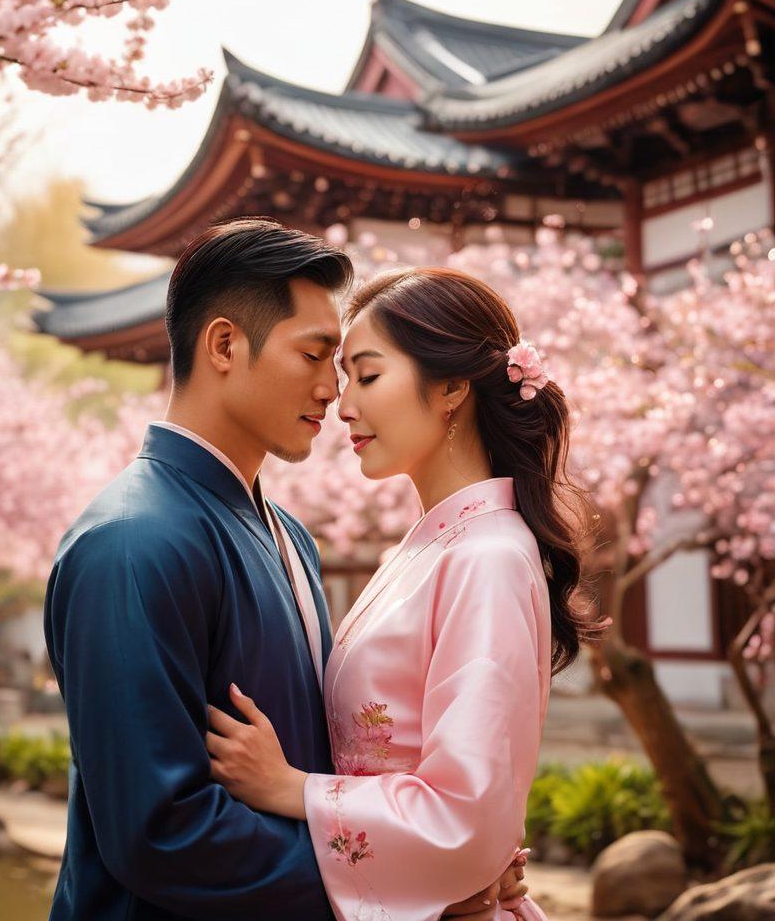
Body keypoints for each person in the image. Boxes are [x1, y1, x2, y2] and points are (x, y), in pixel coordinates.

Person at [43, 222, 524, 921]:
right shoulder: (130, 542)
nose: (334, 392)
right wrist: (405, 886)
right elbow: (160, 832)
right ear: (226, 345)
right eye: (314, 354)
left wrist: (440, 854)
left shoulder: (289, 535)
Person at [207, 266, 599, 921]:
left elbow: (460, 815)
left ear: (450, 388)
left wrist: (291, 789)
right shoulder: (429, 548)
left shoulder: (488, 557)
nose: (342, 403)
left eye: (367, 375)